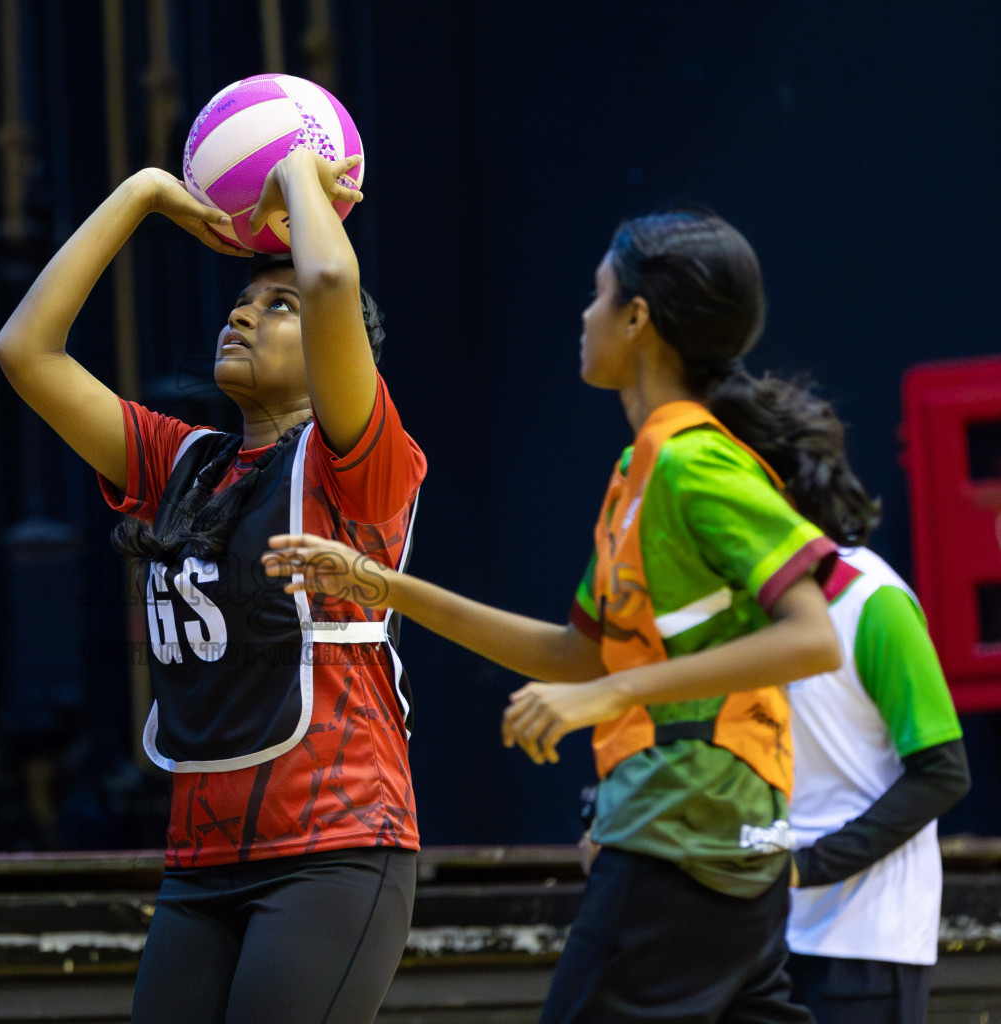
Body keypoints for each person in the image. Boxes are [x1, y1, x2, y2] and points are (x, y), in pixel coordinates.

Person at [264, 209, 862, 1023]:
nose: (583, 316)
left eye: (598, 295)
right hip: (719, 844)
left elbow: (810, 636)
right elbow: (578, 653)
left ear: (637, 318)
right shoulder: (640, 469)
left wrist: (612, 698)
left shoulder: (695, 461)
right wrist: (378, 583)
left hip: (682, 836)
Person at [0, 150, 426, 1023]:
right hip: (202, 857)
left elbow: (333, 276)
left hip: (334, 846)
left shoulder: (360, 465)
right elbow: (24, 351)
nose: (243, 314)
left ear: (339, 355)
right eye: (241, 300)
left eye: (279, 306)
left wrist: (299, 169)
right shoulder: (180, 464)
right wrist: (145, 193)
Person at [784, 539, 970, 1024]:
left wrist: (807, 866)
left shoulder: (874, 598)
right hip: (767, 929)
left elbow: (943, 774)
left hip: (867, 937)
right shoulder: (743, 602)